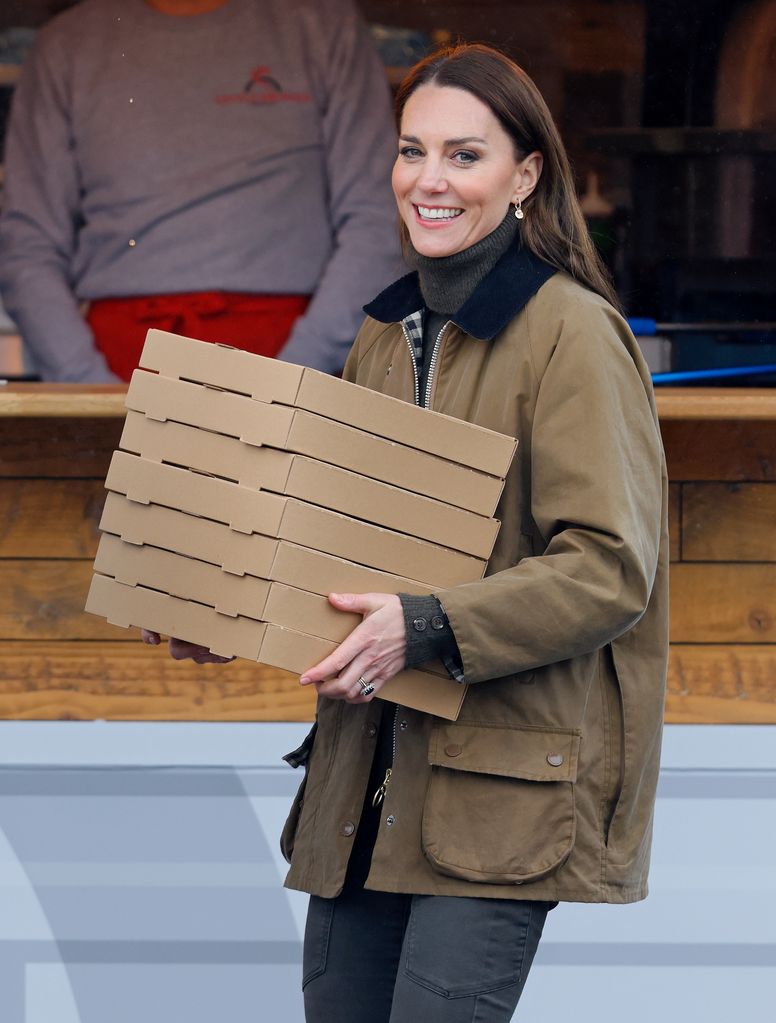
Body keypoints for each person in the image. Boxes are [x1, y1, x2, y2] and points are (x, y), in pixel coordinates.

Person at [145, 43, 669, 1023]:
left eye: (463, 156)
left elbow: (605, 570)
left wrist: (421, 627)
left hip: (495, 790)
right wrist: (229, 604)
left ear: (524, 176)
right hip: (365, 782)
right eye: (410, 150)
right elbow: (345, 547)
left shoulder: (572, 334)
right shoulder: (385, 334)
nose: (428, 181)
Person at [0, 0, 402, 381]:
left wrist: (296, 378)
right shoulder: (68, 43)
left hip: (298, 349)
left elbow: (378, 220)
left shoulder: (321, 24)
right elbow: (28, 245)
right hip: (116, 361)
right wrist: (88, 388)